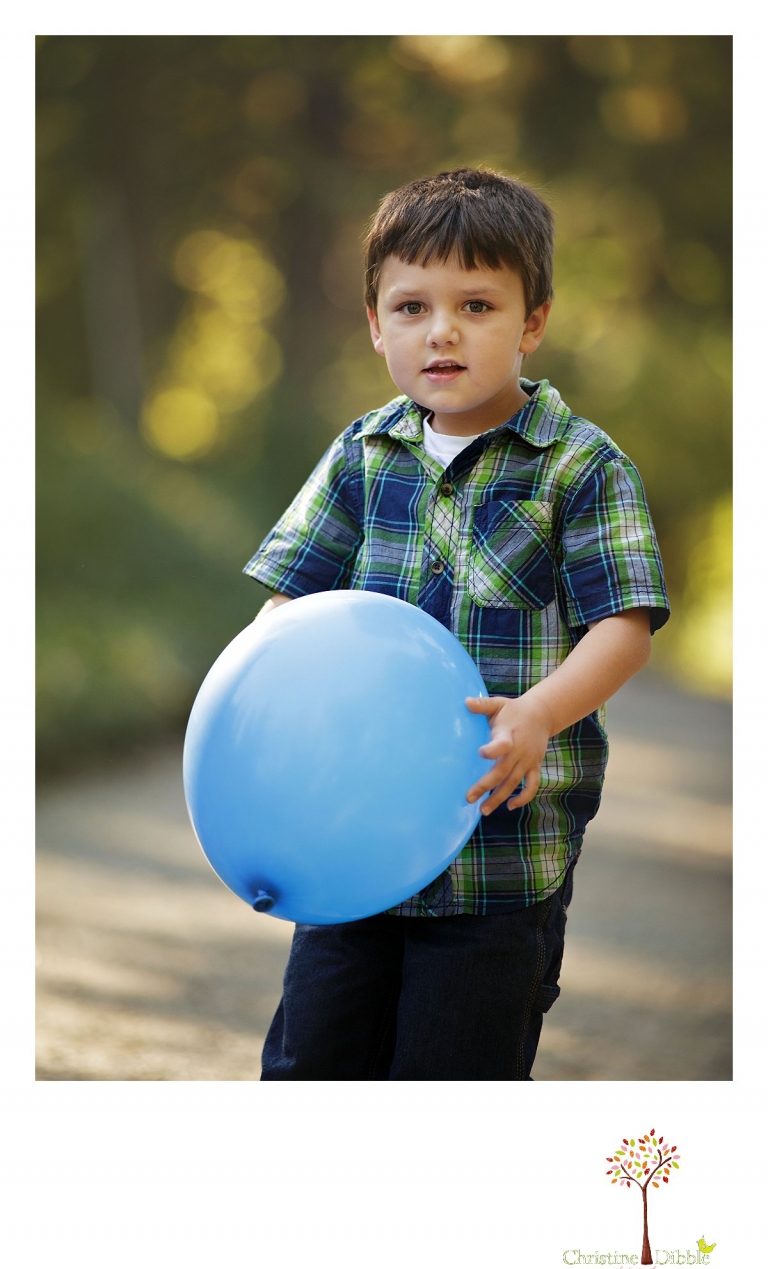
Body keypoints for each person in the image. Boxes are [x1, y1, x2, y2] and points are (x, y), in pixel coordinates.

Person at [242, 167, 669, 1081]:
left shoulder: (579, 468)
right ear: (374, 325)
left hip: (496, 861)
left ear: (533, 322)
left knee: (452, 1079)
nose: (441, 330)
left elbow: (623, 625)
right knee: (311, 1066)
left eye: (476, 304)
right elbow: (288, 611)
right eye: (410, 307)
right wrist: (258, 742)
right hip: (351, 838)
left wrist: (539, 715)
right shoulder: (362, 455)